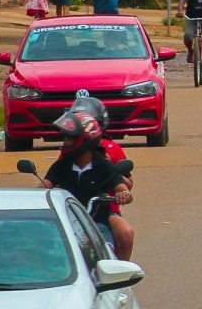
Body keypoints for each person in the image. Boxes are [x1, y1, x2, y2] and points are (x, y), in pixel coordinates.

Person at [38, 110, 136, 260]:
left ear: (85, 139)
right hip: (67, 219)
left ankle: (120, 278)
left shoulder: (103, 164)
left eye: (70, 138)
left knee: (108, 249)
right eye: (65, 138)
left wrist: (123, 195)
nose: (65, 142)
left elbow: (123, 189)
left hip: (97, 220)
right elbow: (44, 185)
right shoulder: (62, 164)